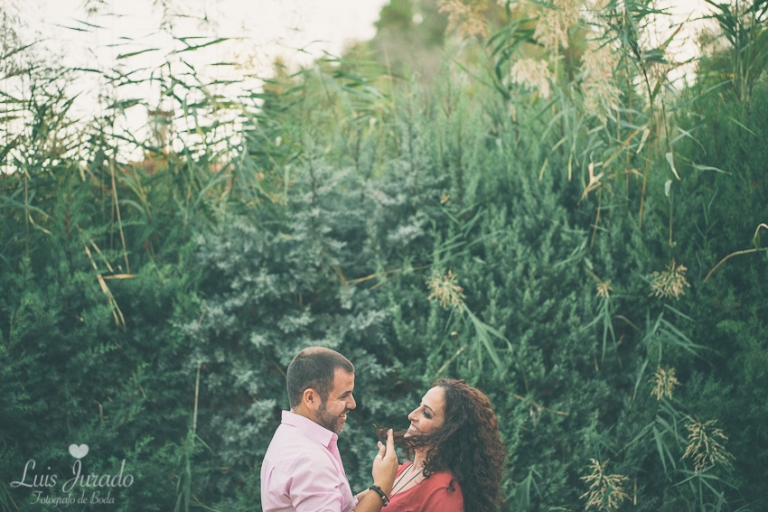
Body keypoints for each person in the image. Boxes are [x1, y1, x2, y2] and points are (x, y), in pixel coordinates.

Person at [260, 347, 398, 512]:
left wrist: (384, 485)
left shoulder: (288, 435)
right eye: (343, 396)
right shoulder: (309, 460)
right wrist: (381, 487)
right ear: (310, 398)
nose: (352, 404)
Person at [364, 378, 505, 512]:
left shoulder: (444, 491)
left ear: (449, 433)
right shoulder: (401, 470)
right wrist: (380, 480)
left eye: (426, 413)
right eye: (419, 406)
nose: (411, 415)